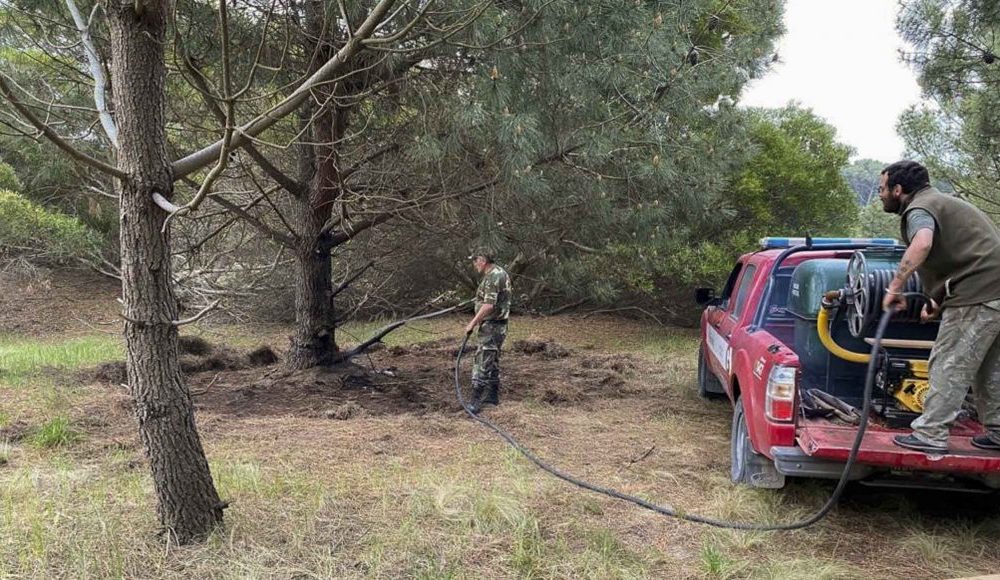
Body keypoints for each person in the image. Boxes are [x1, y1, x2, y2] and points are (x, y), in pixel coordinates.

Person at [880, 160, 1000, 453]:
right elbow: (963, 256)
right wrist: (936, 299)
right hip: (992, 290)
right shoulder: (943, 202)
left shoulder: (919, 209)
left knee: (949, 362)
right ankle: (998, 431)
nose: (880, 195)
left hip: (978, 293)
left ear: (898, 190)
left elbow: (922, 244)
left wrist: (895, 286)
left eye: (882, 189)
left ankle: (930, 434)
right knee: (990, 367)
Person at [463, 248, 512, 413]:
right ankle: (492, 395)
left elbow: (489, 305)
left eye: (475, 260)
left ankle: (475, 401)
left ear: (482, 260)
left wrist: (472, 323)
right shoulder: (499, 273)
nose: (474, 264)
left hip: (492, 326)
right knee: (492, 358)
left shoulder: (493, 277)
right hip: (499, 325)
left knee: (483, 360)